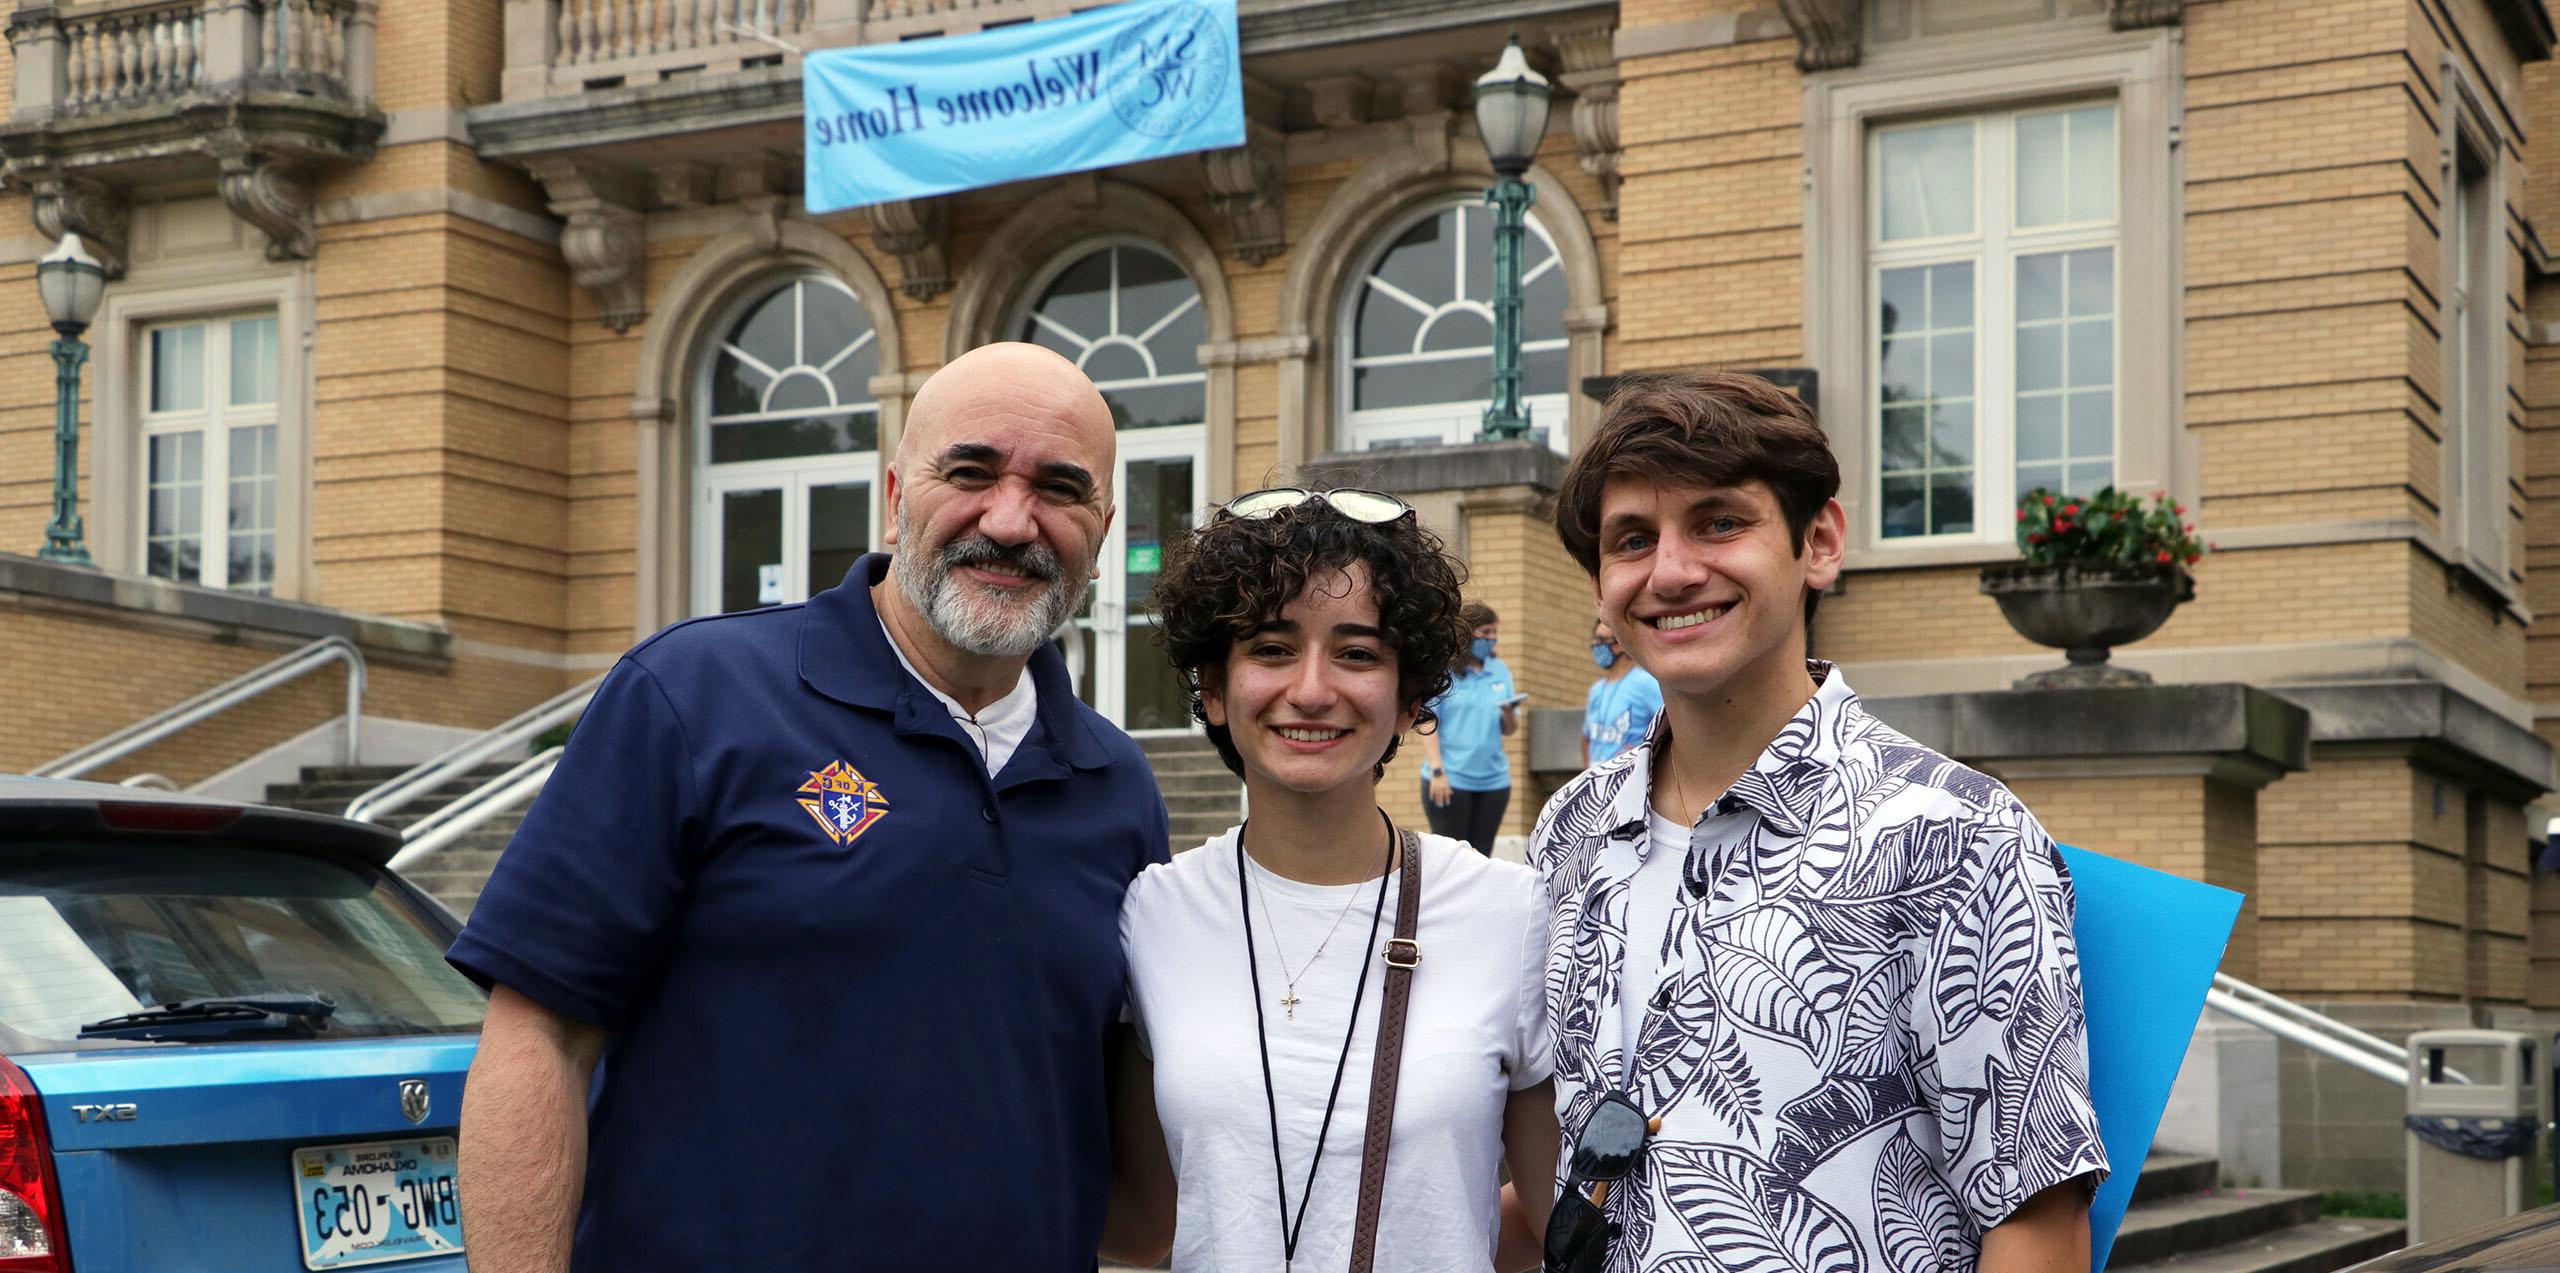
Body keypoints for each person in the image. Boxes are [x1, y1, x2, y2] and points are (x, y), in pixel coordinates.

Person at [444, 342, 1170, 1273]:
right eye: (972, 471)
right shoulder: (693, 696)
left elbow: (1133, 1203)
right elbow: (536, 1035)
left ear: (1103, 529)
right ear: (897, 490)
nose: (1011, 517)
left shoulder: (1114, 787)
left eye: (1061, 488)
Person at [1525, 370, 2107, 1273]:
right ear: (1602, 590)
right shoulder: (1571, 830)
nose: (1672, 571)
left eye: (1720, 521)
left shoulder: (1956, 835)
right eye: (1632, 539)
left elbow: (2036, 1223)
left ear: (1819, 542)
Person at [1102, 487, 1559, 1272]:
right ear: (1213, 687)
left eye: (1356, 653)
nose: (1312, 690)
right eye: (1272, 648)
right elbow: (1143, 1227)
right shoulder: (1155, 914)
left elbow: (1562, 1230)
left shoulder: (1508, 914)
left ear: (1410, 696)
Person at [1416, 601, 1519, 854]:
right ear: (1466, 632)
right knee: (1451, 857)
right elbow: (1427, 722)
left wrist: (1508, 713)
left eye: (1495, 633)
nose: (1492, 639)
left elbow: (1509, 729)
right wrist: (1438, 772)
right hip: (1450, 779)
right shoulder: (1444, 671)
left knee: (1480, 859)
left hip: (1494, 782)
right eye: (1486, 632)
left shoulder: (1499, 670)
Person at [1579, 618, 1661, 770]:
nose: (1596, 645)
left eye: (1602, 640)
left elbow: (1670, 726)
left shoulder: (1646, 684)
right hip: (1597, 779)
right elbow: (1586, 738)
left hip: (1630, 776)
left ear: (1621, 643)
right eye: (1595, 639)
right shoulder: (1596, 690)